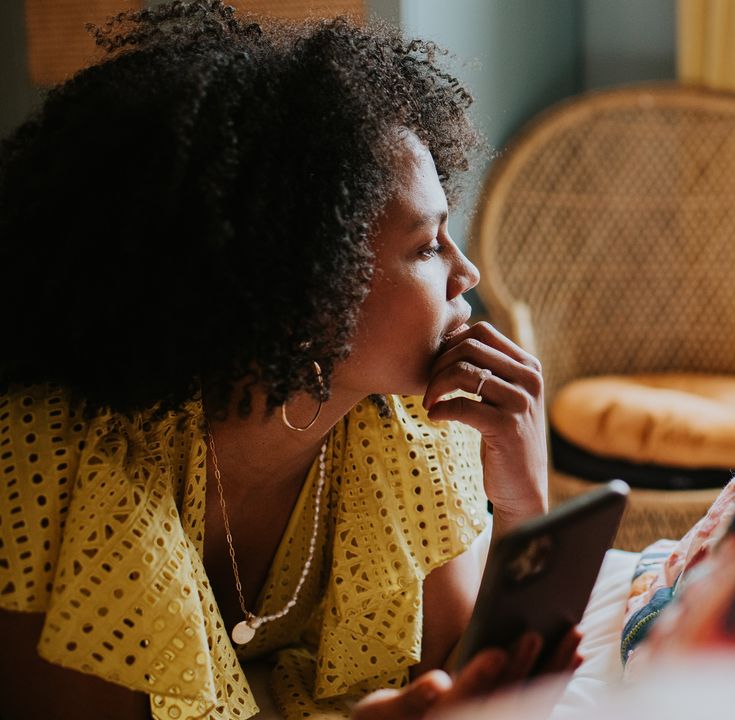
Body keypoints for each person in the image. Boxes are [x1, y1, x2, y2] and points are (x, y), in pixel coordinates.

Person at [0, 2, 578, 718]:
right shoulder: (52, 464)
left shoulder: (416, 431)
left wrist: (523, 502)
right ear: (304, 284)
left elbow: (473, 683)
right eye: (428, 244)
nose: (468, 274)